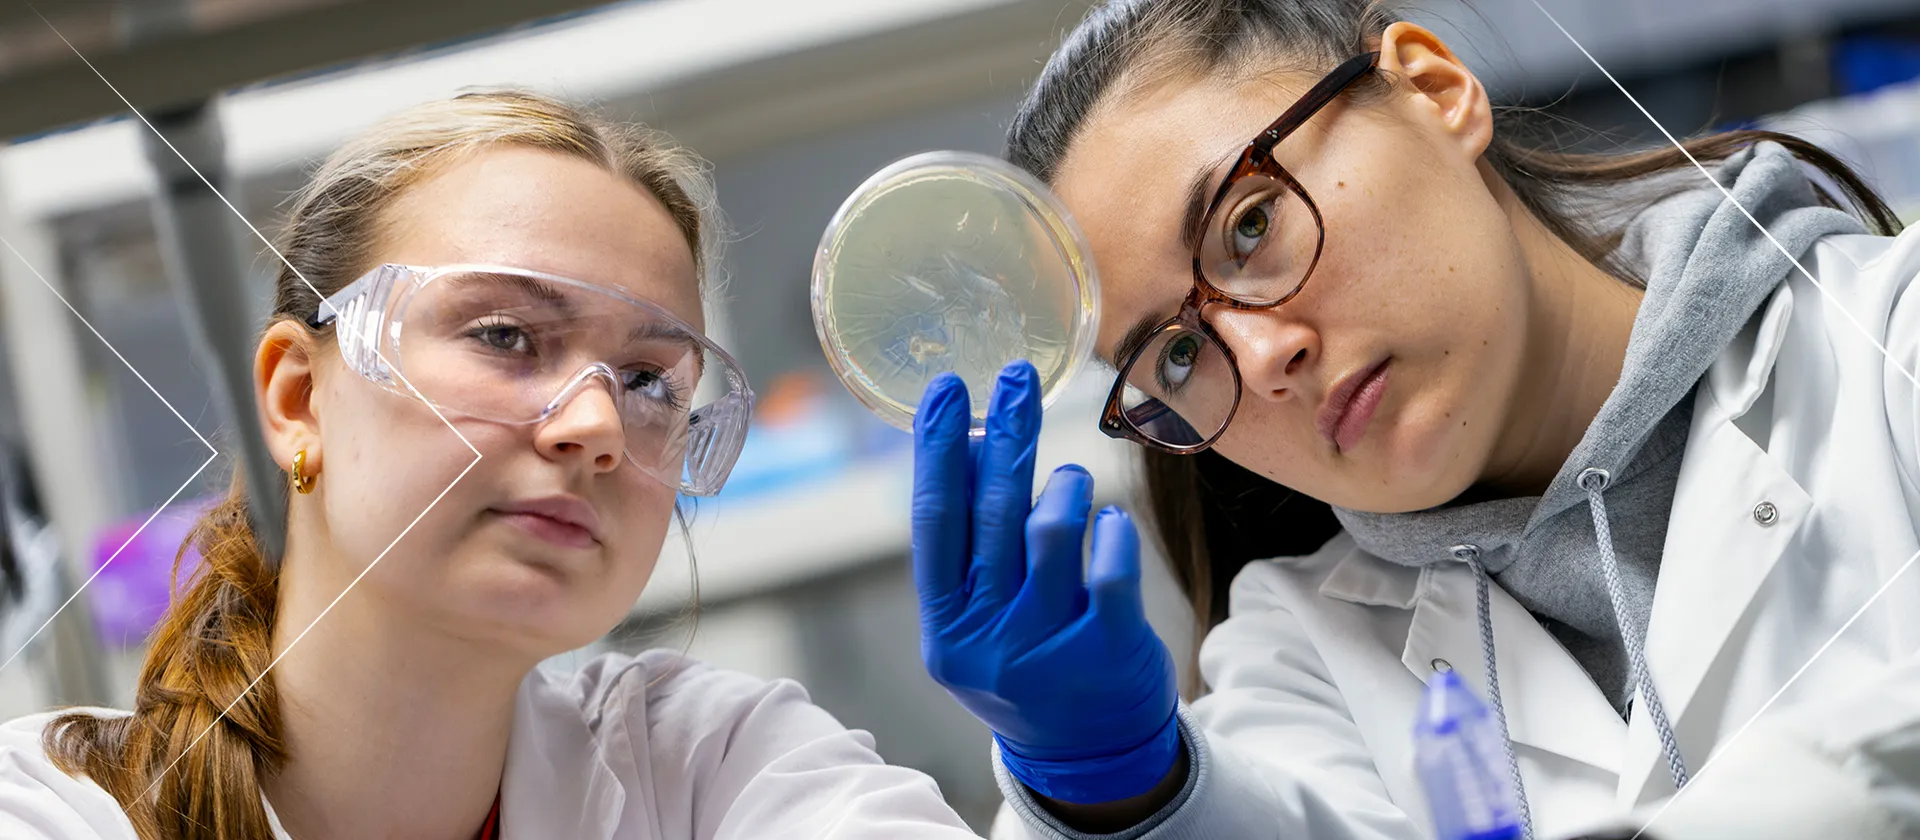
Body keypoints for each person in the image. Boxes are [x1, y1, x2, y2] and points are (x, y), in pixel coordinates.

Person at [906, 1, 1920, 839]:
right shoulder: (1300, 659)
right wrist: (1113, 794)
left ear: (1435, 91)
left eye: (1248, 225)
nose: (1260, 361)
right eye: (1175, 356)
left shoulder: (1892, 343)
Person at [0, 91, 981, 840]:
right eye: (507, 335)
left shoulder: (705, 768)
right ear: (299, 399)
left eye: (647, 381)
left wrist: (1091, 797)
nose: (595, 423)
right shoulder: (50, 814)